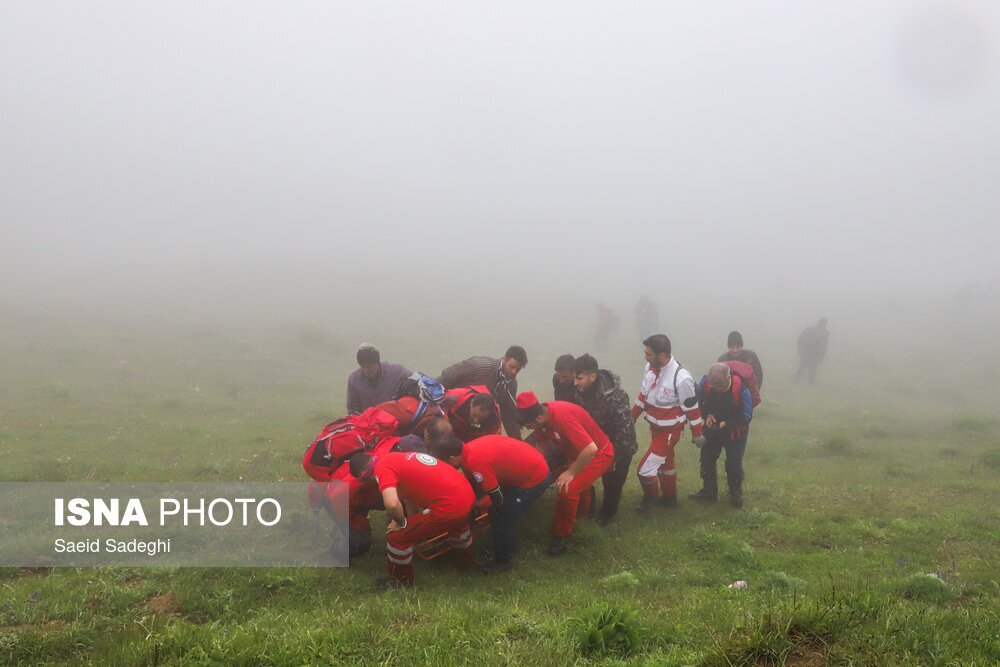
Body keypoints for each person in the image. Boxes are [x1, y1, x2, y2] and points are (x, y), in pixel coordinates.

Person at [425, 419, 551, 574]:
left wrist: (478, 506)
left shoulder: (475, 462)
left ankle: (503, 561)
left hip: (534, 478)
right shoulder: (468, 449)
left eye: (446, 463)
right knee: (499, 512)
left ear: (452, 459)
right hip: (526, 467)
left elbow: (497, 498)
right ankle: (509, 545)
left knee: (502, 516)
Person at [349, 449, 476, 588]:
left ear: (365, 477)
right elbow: (409, 499)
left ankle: (402, 581)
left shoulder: (382, 470)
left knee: (396, 537)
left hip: (450, 506)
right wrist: (412, 525)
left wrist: (402, 524)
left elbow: (391, 504)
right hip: (465, 494)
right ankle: (467, 565)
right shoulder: (393, 458)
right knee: (458, 527)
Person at [517, 391, 614, 555]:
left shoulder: (563, 417)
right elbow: (543, 448)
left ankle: (561, 537)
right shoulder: (542, 418)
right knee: (579, 488)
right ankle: (583, 519)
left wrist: (570, 472)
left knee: (567, 489)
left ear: (538, 418)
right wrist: (530, 468)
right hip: (577, 454)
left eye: (530, 426)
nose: (531, 430)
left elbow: (590, 449)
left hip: (598, 454)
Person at [631, 334, 705, 511]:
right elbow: (643, 396)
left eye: (649, 354)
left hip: (670, 432)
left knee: (645, 469)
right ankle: (670, 498)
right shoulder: (649, 368)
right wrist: (631, 417)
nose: (645, 357)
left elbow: (692, 409)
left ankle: (650, 499)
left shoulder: (682, 379)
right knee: (666, 464)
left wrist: (697, 433)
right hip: (655, 429)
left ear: (662, 355)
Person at [572, 354, 638, 525]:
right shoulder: (580, 392)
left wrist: (613, 457)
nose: (575, 383)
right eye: (574, 378)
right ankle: (588, 510)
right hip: (597, 444)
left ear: (592, 376)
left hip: (620, 447)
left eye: (579, 378)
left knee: (612, 483)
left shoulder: (616, 396)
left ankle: (608, 514)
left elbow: (625, 432)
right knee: (585, 475)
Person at [689, 363, 753, 507]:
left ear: (729, 378)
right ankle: (709, 492)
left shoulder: (741, 389)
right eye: (714, 387)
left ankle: (735, 493)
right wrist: (707, 416)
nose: (717, 390)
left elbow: (747, 415)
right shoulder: (705, 383)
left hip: (735, 433)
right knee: (706, 460)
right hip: (712, 431)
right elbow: (699, 403)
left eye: (721, 387)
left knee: (733, 463)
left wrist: (727, 424)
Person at [438, 346, 528, 440]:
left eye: (517, 369)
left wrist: (519, 443)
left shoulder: (511, 384)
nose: (514, 372)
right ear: (505, 359)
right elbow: (449, 375)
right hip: (454, 412)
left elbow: (509, 417)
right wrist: (429, 398)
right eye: (512, 367)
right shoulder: (481, 366)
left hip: (476, 423)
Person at [346, 344, 412, 414]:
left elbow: (415, 382)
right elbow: (352, 410)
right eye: (362, 367)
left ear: (377, 363)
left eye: (368, 367)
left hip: (394, 420)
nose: (365, 370)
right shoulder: (354, 379)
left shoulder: (397, 372)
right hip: (368, 422)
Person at [795, 318, 830, 385]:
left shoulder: (808, 329)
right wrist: (821, 357)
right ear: (824, 324)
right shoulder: (823, 334)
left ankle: (795, 379)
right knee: (812, 370)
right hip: (814, 355)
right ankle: (810, 385)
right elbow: (823, 347)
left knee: (801, 366)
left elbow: (800, 340)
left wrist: (800, 350)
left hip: (805, 353)